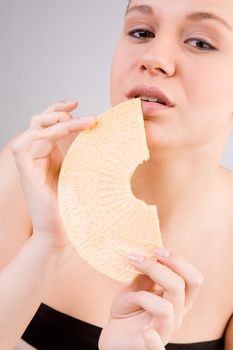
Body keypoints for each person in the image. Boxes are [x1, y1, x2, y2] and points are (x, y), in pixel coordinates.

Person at [0, 0, 233, 349]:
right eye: (141, 32)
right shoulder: (34, 168)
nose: (154, 58)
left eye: (200, 42)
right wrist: (47, 246)